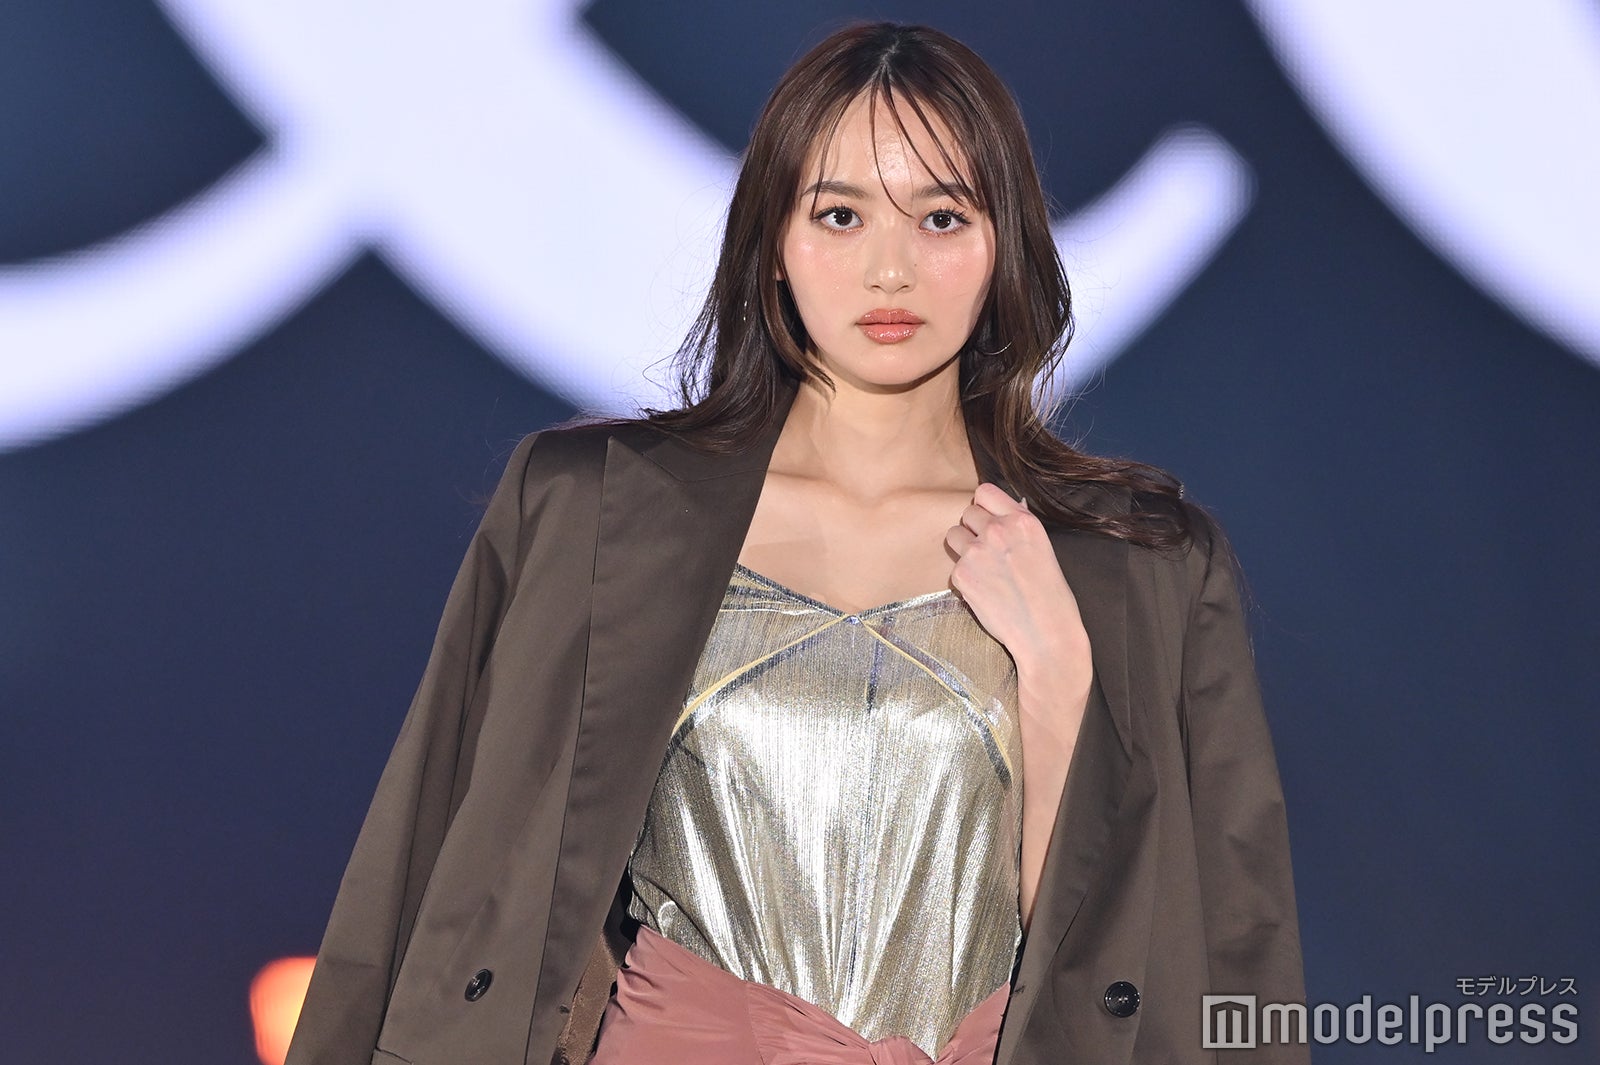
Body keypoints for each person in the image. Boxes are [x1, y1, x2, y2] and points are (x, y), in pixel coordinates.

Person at [285, 21, 1307, 1065]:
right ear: (773, 239)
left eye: (941, 216)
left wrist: (1057, 671)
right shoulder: (592, 512)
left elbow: (1201, 965)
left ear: (1005, 242)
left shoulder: (1139, 564)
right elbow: (429, 870)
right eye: (840, 214)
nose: (890, 269)